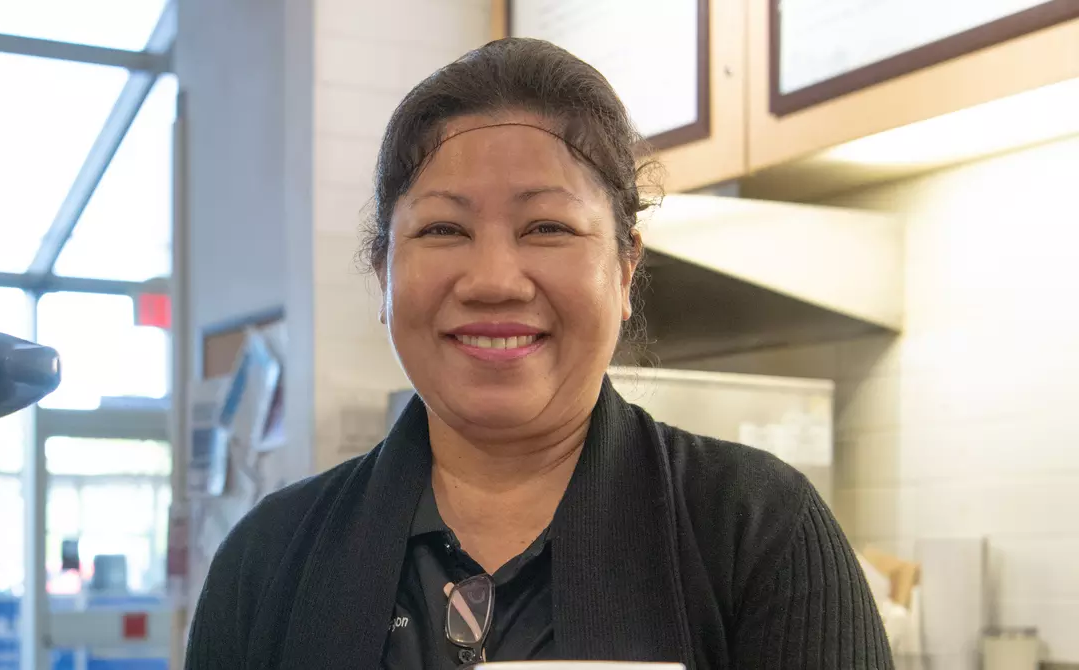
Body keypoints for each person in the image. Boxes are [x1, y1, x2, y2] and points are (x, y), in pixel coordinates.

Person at [185, 38, 890, 669]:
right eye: (442, 230)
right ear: (384, 275)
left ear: (624, 271)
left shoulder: (758, 532)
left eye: (548, 226)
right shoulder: (269, 560)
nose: (493, 280)